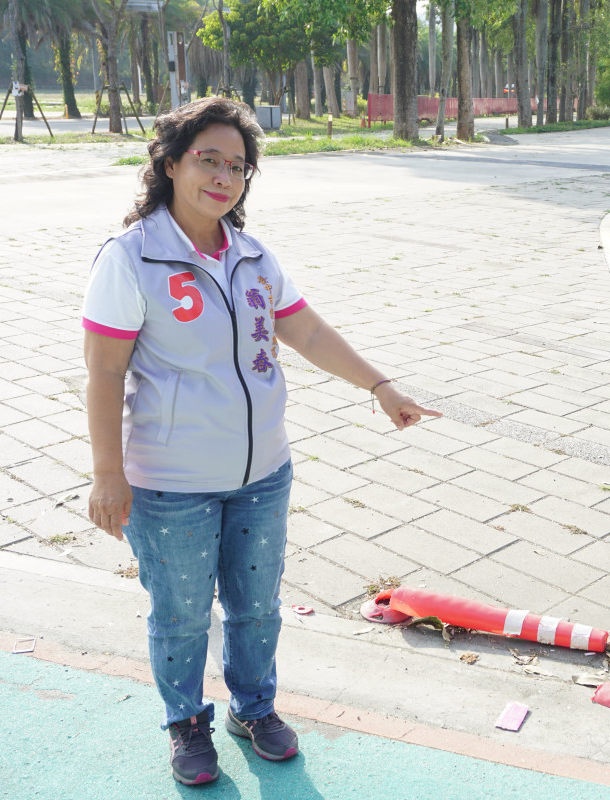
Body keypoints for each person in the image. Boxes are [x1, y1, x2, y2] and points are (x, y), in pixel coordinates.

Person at [82, 96, 440, 786]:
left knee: (255, 605)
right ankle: (187, 722)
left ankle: (254, 707)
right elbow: (102, 371)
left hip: (261, 473)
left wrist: (380, 386)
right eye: (207, 160)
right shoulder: (131, 259)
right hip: (171, 481)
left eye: (237, 167)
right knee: (183, 614)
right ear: (169, 162)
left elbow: (304, 330)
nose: (223, 177)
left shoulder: (251, 255)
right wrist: (107, 474)